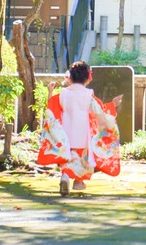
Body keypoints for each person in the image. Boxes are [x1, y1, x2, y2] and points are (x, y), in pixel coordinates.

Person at [36, 61, 123, 196]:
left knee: (67, 157)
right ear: (88, 77)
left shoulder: (64, 94)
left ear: (70, 77)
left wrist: (50, 92)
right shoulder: (88, 95)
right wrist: (112, 106)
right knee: (82, 159)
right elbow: (99, 112)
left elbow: (52, 108)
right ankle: (78, 182)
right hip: (83, 133)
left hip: (65, 132)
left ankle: (65, 177)